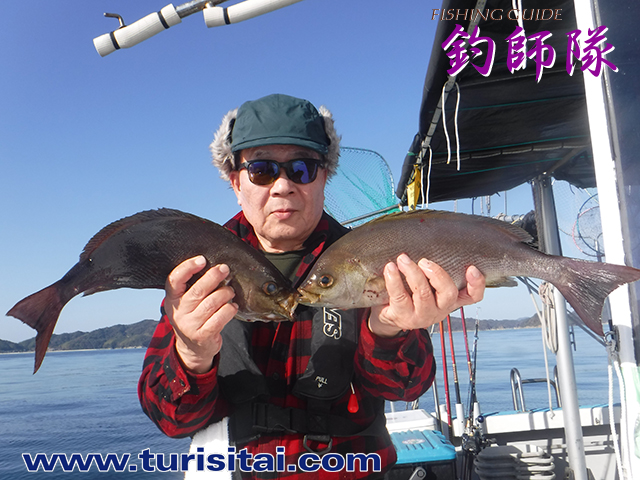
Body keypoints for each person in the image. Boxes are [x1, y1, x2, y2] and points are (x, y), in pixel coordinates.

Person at [138, 93, 486, 479]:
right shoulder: (198, 272)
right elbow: (170, 419)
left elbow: (405, 389)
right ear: (236, 181)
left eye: (301, 169)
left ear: (324, 177)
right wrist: (192, 354)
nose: (283, 186)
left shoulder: (370, 259)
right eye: (261, 170)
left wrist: (389, 330)